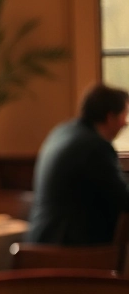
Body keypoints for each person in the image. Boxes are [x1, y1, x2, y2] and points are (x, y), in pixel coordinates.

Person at [27, 83, 129, 245]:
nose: (125, 123)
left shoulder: (62, 132)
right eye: (124, 115)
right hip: (69, 247)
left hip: (43, 239)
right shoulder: (94, 146)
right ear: (110, 117)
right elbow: (123, 199)